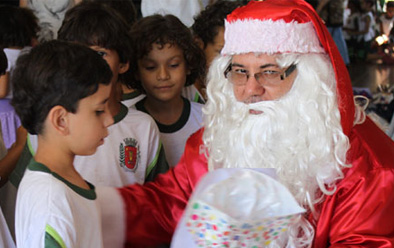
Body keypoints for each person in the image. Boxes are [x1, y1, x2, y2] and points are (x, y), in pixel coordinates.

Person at [96, 0, 394, 247]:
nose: (250, 90)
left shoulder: (367, 164)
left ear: (309, 77)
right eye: (239, 71)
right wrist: (88, 209)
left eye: (269, 72)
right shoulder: (221, 139)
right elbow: (168, 203)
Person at [13, 1, 169, 188]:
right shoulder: (48, 127)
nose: (87, 64)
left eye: (100, 54)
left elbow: (160, 198)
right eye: (78, 53)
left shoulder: (142, 127)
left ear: (123, 63)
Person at [12, 40, 113, 247]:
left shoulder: (60, 184)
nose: (110, 119)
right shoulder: (51, 201)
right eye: (99, 111)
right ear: (60, 120)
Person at [130, 14, 206, 167]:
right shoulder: (129, 124)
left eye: (173, 65)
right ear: (136, 71)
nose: (163, 75)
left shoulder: (206, 119)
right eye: (151, 67)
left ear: (188, 65)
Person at [182, 0, 244, 104]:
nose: (231, 64)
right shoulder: (180, 92)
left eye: (238, 54)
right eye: (222, 53)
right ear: (199, 45)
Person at [0, 5, 38, 149]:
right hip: (23, 109)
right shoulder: (30, 53)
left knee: (7, 151)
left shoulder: (5, 56)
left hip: (4, 112)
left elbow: (2, 91)